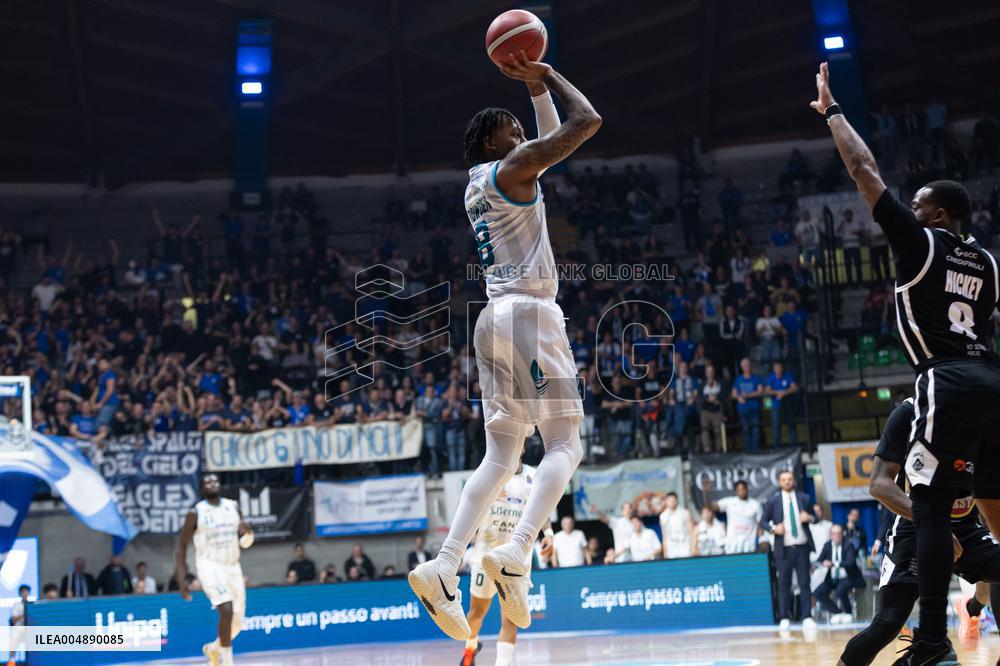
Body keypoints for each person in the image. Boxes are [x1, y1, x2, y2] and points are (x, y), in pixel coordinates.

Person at [408, 49, 600, 640]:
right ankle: (516, 550)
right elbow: (587, 121)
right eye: (509, 129)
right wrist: (548, 76)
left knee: (501, 458)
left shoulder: (480, 183)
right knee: (567, 443)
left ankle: (444, 565)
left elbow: (545, 146)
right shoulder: (511, 169)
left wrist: (536, 95)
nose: (519, 132)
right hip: (530, 314)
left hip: (492, 319)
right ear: (493, 146)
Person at [814, 61, 1000, 664]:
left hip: (945, 380)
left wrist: (834, 113)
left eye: (919, 206)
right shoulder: (989, 264)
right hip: (991, 378)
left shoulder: (922, 243)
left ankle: (929, 643)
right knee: (982, 520)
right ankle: (932, 638)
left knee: (928, 506)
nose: (909, 210)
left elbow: (864, 171)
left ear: (939, 216)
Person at [838, 398, 1000, 665]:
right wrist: (932, 525)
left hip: (967, 527)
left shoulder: (985, 410)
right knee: (888, 622)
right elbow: (878, 484)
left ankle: (972, 609)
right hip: (915, 528)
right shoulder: (909, 413)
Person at [461, 458, 551, 666]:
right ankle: (470, 647)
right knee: (476, 613)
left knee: (510, 617)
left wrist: (548, 532)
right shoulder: (488, 472)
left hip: (517, 558)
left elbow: (542, 506)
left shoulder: (533, 475)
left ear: (522, 448)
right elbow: (469, 506)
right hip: (486, 553)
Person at [175, 473, 254, 666]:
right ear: (202, 488)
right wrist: (181, 578)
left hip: (233, 567)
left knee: (235, 624)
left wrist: (248, 533)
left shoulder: (233, 506)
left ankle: (214, 649)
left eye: (215, 481)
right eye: (207, 482)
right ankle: (226, 662)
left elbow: (245, 543)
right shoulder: (196, 512)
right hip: (210, 566)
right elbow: (182, 546)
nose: (212, 484)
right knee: (225, 609)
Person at [760, 470, 817, 637]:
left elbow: (815, 517)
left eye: (789, 479)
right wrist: (773, 528)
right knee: (783, 584)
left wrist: (810, 518)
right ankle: (784, 617)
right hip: (783, 549)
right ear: (779, 482)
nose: (787, 482)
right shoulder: (773, 501)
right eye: (784, 479)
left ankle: (807, 616)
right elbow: (763, 521)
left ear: (794, 481)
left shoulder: (804, 498)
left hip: (802, 546)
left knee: (804, 582)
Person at [814, 525, 864, 624]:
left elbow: (850, 563)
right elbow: (819, 560)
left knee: (841, 589)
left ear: (842, 534)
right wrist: (817, 564)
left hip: (849, 577)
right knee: (819, 592)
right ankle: (839, 613)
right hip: (833, 578)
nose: (836, 536)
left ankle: (848, 613)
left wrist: (834, 563)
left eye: (838, 534)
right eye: (834, 534)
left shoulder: (848, 545)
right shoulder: (827, 545)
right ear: (830, 535)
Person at [702, 478, 762, 554]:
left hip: (749, 546)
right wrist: (705, 493)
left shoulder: (755, 505)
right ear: (736, 491)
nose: (741, 492)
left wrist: (761, 540)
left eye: (743, 489)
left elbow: (759, 525)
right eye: (739, 490)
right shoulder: (729, 502)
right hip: (732, 546)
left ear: (747, 489)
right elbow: (710, 507)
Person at [731, 358, 764, 451]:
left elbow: (760, 391)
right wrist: (739, 397)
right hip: (742, 409)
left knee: (756, 431)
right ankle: (749, 451)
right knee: (746, 431)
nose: (746, 367)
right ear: (742, 367)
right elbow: (733, 393)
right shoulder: (738, 379)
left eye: (748, 365)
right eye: (744, 365)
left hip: (754, 408)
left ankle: (756, 451)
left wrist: (748, 395)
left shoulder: (756, 378)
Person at [766, 361, 798, 448]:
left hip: (788, 406)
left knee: (791, 427)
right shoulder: (771, 377)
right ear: (774, 369)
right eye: (776, 368)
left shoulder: (787, 375)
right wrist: (778, 392)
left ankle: (794, 447)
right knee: (776, 428)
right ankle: (777, 448)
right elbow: (767, 390)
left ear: (782, 368)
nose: (778, 369)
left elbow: (794, 388)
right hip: (776, 406)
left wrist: (784, 392)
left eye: (779, 367)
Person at [659, 492, 697, 559]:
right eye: (669, 500)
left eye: (674, 500)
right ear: (666, 502)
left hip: (684, 545)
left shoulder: (685, 513)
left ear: (677, 501)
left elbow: (692, 532)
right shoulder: (663, 516)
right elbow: (664, 537)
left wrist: (693, 548)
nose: (672, 502)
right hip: (671, 547)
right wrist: (665, 552)